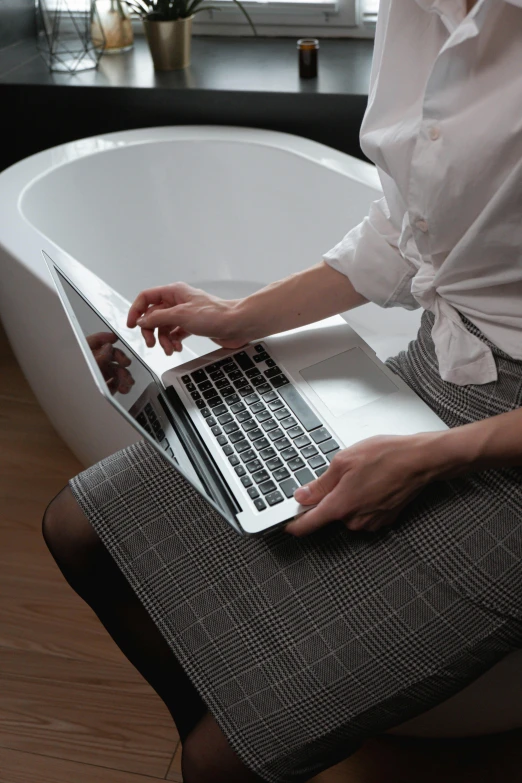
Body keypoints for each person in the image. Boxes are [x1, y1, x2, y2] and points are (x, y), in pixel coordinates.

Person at [42, 1, 522, 781]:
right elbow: (411, 229)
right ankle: (243, 717)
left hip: (505, 459)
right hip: (434, 371)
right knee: (76, 528)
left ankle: (244, 736)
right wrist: (238, 316)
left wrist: (431, 458)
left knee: (214, 763)